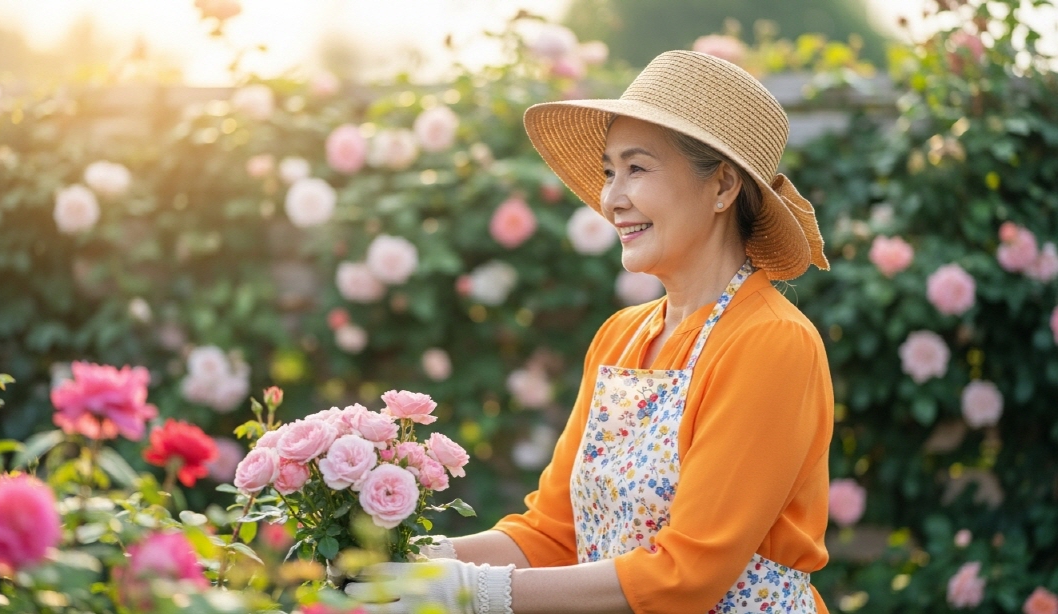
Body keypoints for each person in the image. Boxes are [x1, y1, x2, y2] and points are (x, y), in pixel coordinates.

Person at [345, 49, 835, 614]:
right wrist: (415, 561)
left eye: (637, 169)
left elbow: (687, 574)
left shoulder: (772, 342)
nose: (611, 199)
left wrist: (470, 591)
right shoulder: (620, 336)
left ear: (722, 185)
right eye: (608, 172)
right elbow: (554, 534)